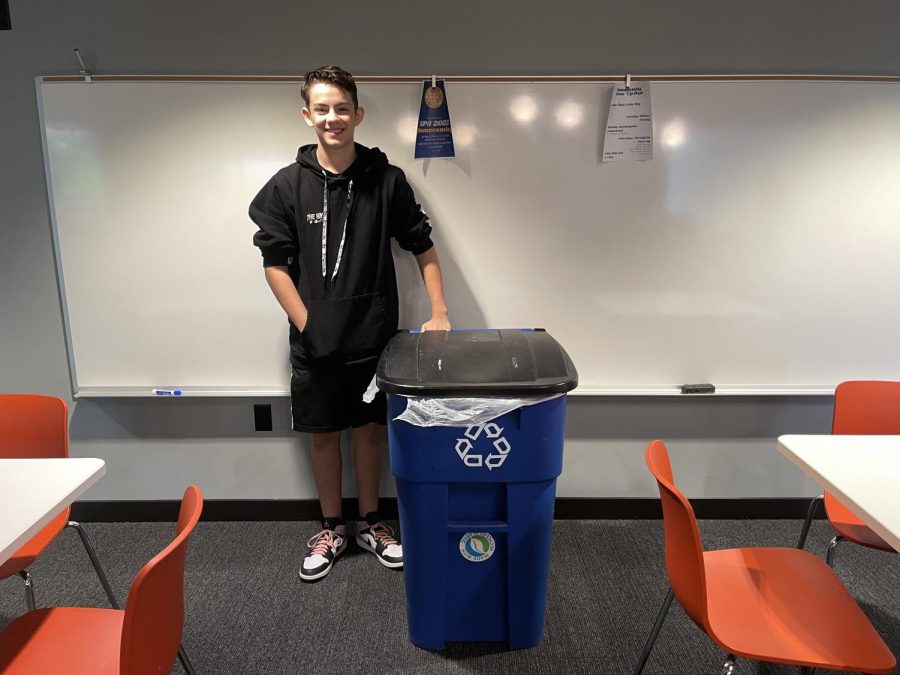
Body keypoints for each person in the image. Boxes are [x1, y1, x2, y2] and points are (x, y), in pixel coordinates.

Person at [250, 66, 451, 582]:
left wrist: (440, 312)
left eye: (342, 108)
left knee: (368, 432)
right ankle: (331, 527)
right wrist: (308, 323)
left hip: (373, 337)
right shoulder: (286, 186)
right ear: (307, 115)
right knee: (323, 435)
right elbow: (274, 265)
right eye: (322, 108)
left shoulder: (386, 182)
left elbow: (423, 248)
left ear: (358, 114)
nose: (332, 118)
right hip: (315, 341)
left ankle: (371, 523)